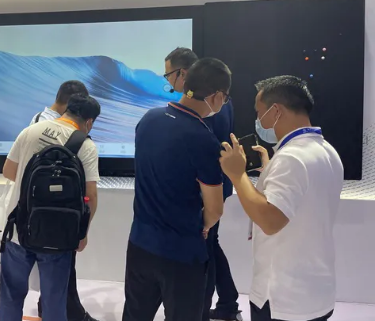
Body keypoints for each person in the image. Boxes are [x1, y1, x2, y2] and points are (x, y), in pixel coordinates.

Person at [219, 75, 343, 321]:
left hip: (284, 297)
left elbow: (270, 221)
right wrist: (270, 172)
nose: (258, 120)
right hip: (316, 290)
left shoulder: (291, 158)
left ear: (276, 111)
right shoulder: (326, 151)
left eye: (259, 112)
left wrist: (237, 175)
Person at [123, 58, 231, 321]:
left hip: (140, 244)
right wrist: (204, 226)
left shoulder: (148, 119)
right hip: (182, 254)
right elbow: (215, 209)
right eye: (225, 98)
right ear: (216, 96)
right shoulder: (203, 139)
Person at [0, 94, 100, 321]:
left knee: (11, 295)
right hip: (58, 235)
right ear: (89, 121)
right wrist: (82, 233)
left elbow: (8, 171)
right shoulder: (85, 145)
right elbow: (91, 196)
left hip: (18, 228)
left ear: (66, 110)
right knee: (54, 301)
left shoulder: (30, 131)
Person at [164, 48, 241, 321]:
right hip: (214, 184)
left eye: (169, 75)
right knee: (210, 245)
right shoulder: (218, 98)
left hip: (207, 187)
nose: (168, 81)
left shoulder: (209, 104)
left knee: (205, 249)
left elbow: (206, 149)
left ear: (183, 73)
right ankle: (228, 303)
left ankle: (205, 311)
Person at [30, 80, 98, 321]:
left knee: (59, 265)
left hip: (45, 206)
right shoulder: (52, 126)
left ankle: (54, 306)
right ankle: (70, 312)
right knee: (61, 264)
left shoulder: (39, 120)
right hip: (57, 207)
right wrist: (83, 229)